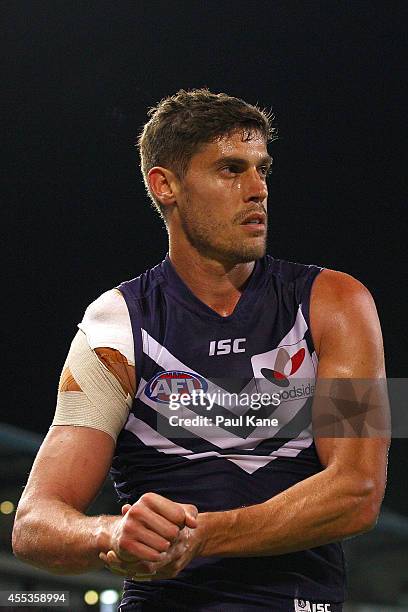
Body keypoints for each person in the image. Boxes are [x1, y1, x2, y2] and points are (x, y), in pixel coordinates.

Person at [12, 89, 390, 612]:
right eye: (231, 169)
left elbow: (359, 491)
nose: (257, 189)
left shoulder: (341, 303)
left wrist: (201, 537)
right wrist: (110, 534)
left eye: (263, 169)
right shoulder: (114, 324)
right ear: (165, 185)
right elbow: (33, 522)